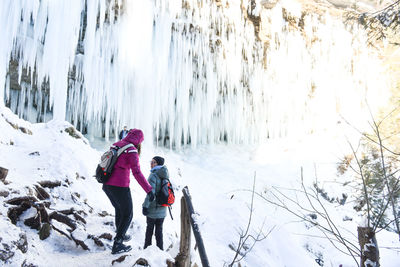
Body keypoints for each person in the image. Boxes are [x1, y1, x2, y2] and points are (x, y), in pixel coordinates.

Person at [103, 128, 155, 254]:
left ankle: (121, 233)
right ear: (139, 140)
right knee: (128, 214)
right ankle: (118, 244)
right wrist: (149, 189)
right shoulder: (131, 150)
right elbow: (136, 172)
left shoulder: (116, 144)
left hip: (107, 185)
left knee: (120, 210)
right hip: (119, 186)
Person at [142, 156, 168, 250]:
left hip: (152, 210)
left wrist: (145, 206)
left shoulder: (153, 175)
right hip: (163, 210)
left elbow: (150, 194)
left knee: (149, 230)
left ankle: (146, 249)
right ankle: (160, 250)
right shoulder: (165, 175)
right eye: (151, 161)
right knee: (159, 231)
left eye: (154, 162)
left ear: (158, 164)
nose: (151, 164)